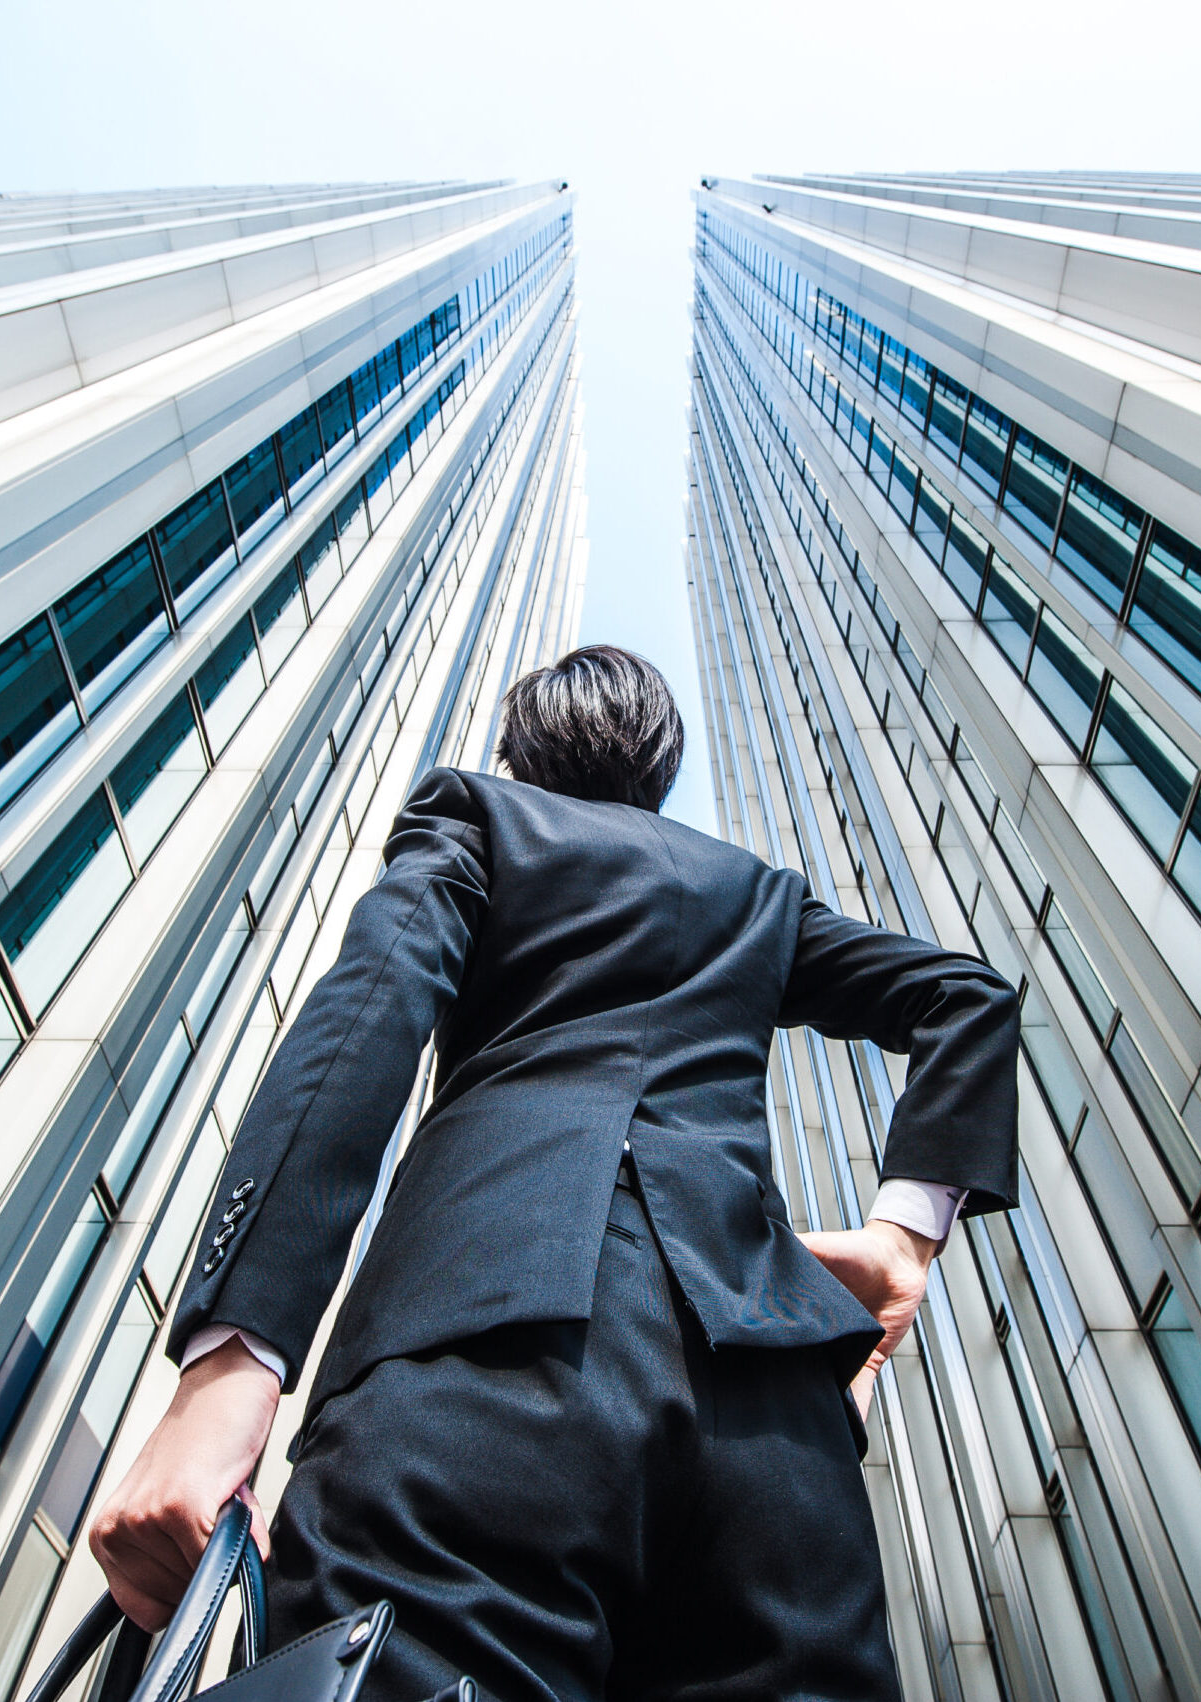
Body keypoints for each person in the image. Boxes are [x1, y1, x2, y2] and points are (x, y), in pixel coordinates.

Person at [90, 645, 1018, 1701]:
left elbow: (366, 1018)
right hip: (774, 1415)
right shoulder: (757, 895)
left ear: (521, 747)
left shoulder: (481, 816)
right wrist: (905, 1236)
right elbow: (968, 997)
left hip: (491, 1347)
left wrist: (229, 1365)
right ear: (659, 764)